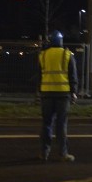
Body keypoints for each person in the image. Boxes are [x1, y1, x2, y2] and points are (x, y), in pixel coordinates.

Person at [38, 30, 79, 162]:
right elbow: (73, 76)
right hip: (63, 94)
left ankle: (44, 153)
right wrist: (74, 92)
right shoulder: (67, 55)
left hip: (46, 94)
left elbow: (39, 76)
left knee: (47, 124)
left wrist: (39, 91)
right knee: (61, 125)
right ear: (61, 41)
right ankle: (63, 153)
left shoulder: (43, 55)